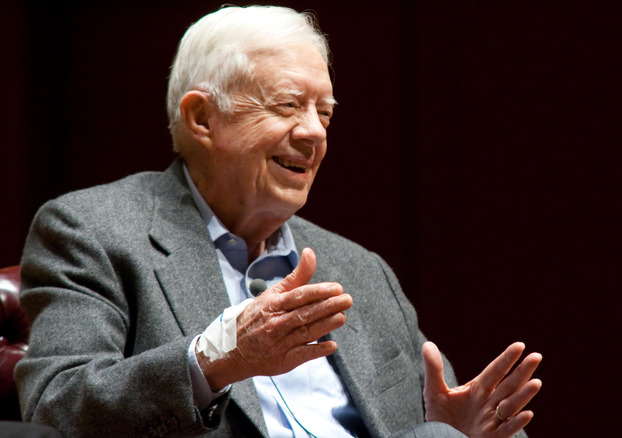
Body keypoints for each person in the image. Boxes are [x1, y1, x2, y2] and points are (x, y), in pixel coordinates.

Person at [15, 5, 542, 437]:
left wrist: (471, 433)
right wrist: (215, 360)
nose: (314, 133)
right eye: (288, 106)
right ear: (202, 118)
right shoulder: (92, 231)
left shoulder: (361, 271)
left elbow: (438, 419)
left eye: (325, 113)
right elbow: (54, 411)